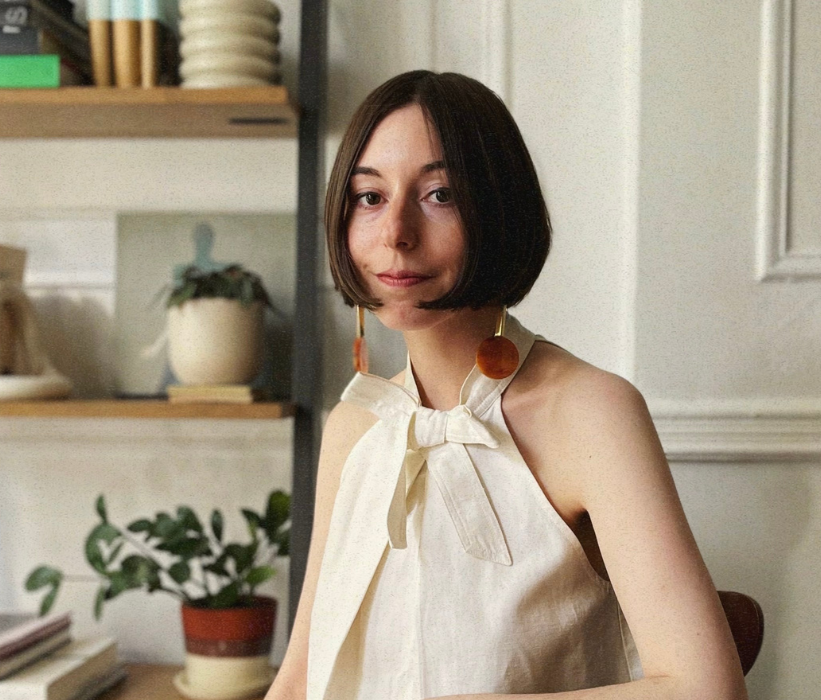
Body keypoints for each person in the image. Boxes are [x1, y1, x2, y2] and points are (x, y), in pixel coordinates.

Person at [267, 70, 747, 700]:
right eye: (369, 198)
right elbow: (302, 677)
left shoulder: (592, 412)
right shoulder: (355, 426)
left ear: (498, 208)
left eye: (440, 194)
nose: (395, 234)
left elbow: (705, 688)